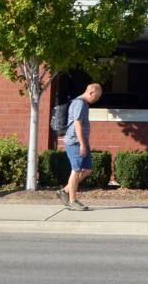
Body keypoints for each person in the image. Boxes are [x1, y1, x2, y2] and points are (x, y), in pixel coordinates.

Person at [60, 81, 103, 210]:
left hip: (82, 141)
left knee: (88, 169)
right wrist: (82, 144)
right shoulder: (79, 103)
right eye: (96, 96)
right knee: (76, 171)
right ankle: (72, 201)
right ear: (91, 92)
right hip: (75, 142)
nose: (97, 99)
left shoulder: (83, 103)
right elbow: (77, 124)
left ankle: (65, 190)